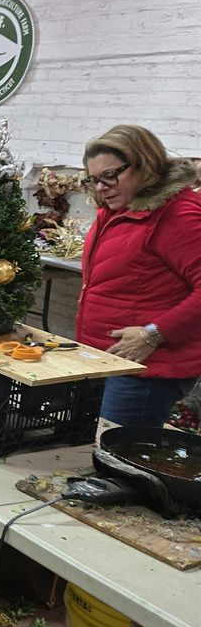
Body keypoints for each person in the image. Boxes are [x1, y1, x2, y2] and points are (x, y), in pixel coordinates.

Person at [76, 124, 201, 428]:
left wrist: (153, 333)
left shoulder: (178, 215)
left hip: (146, 368)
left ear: (144, 165)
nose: (101, 187)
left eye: (110, 175)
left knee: (118, 452)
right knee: (93, 447)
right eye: (94, 179)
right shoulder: (120, 209)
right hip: (110, 359)